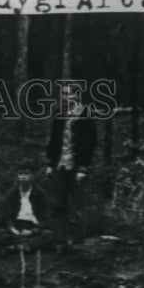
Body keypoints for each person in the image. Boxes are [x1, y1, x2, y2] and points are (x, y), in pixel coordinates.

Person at [46, 84, 96, 248]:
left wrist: (83, 167)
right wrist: (50, 163)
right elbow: (54, 140)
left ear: (76, 96)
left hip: (76, 168)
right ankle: (60, 242)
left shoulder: (85, 115)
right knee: (58, 205)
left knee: (77, 206)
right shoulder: (60, 115)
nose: (66, 98)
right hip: (60, 166)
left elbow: (90, 143)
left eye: (69, 94)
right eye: (64, 95)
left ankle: (77, 243)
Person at [0, 163, 55, 252]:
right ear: (17, 176)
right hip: (16, 226)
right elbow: (6, 215)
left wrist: (33, 231)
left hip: (33, 226)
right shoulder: (12, 194)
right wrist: (12, 229)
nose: (23, 177)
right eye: (20, 174)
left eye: (26, 174)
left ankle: (14, 247)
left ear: (33, 176)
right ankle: (26, 245)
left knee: (48, 235)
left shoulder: (40, 194)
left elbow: (45, 217)